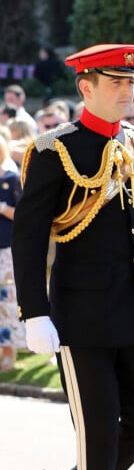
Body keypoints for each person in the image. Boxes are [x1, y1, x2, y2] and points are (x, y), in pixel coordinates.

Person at [12, 43, 134, 470]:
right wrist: (35, 312)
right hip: (81, 318)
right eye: (115, 83)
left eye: (130, 83)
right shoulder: (54, 149)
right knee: (97, 438)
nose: (126, 91)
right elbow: (29, 238)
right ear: (86, 87)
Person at [0, 137, 25, 371]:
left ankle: (10, 352)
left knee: (7, 301)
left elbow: (24, 214)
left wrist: (3, 208)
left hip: (6, 249)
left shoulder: (11, 178)